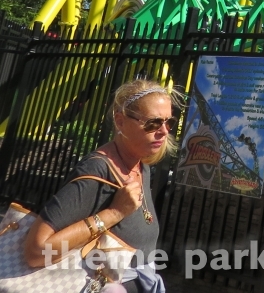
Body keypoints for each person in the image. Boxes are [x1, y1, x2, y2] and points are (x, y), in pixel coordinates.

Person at [24, 78, 180, 293]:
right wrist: (114, 213)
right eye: (152, 123)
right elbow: (36, 251)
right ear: (120, 121)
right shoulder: (96, 171)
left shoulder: (139, 165)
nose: (164, 131)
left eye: (169, 122)